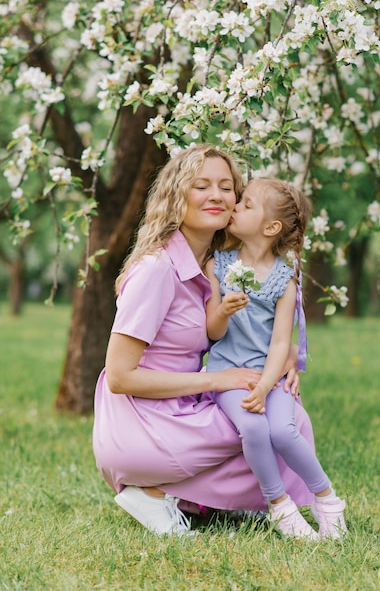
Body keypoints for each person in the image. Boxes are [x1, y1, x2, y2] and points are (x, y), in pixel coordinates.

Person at [92, 145, 316, 537]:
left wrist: (288, 354)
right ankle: (151, 490)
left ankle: (194, 499)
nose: (217, 195)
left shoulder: (214, 266)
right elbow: (119, 377)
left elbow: (245, 331)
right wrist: (218, 381)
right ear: (177, 195)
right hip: (140, 421)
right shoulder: (156, 269)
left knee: (278, 412)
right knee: (273, 420)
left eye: (227, 187)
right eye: (201, 185)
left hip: (179, 406)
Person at [205, 177, 347, 540]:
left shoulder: (285, 278)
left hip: (269, 376)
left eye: (246, 204)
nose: (235, 205)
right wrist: (222, 310)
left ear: (270, 227)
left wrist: (267, 384)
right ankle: (279, 505)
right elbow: (212, 332)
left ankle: (327, 499)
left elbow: (281, 342)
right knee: (253, 427)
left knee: (283, 430)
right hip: (230, 374)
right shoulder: (218, 265)